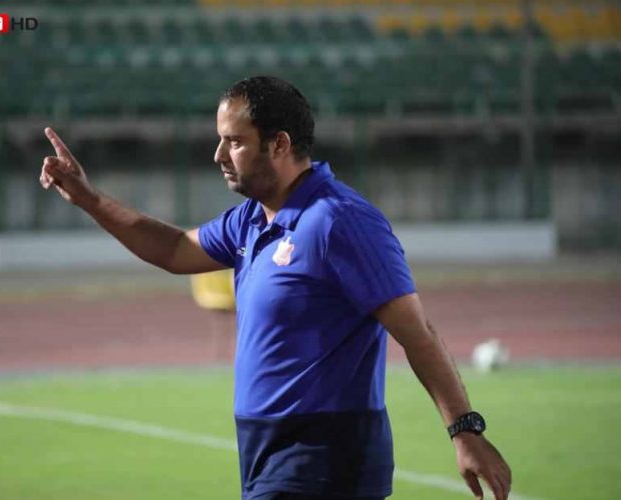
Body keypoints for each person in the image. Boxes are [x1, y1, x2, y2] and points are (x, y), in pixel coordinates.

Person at [39, 76, 512, 500]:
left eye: (234, 142)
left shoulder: (339, 222)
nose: (219, 155)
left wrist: (465, 431)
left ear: (279, 144)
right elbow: (174, 249)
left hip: (324, 456)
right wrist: (89, 199)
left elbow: (417, 332)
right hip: (265, 452)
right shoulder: (251, 218)